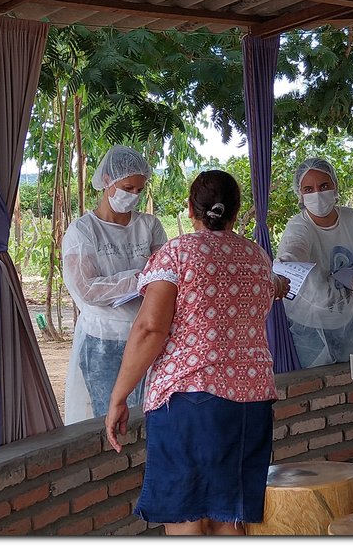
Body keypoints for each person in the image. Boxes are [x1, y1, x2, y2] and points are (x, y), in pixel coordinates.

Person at [104, 170, 288, 536]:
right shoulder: (257, 257)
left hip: (188, 401)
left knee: (186, 517)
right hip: (250, 404)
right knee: (229, 518)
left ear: (191, 209)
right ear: (237, 212)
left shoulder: (176, 255)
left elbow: (150, 329)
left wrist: (119, 396)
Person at [61, 145, 167, 423]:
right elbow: (86, 288)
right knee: (107, 415)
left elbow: (167, 274)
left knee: (148, 414)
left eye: (139, 190)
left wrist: (139, 280)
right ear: (107, 180)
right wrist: (139, 279)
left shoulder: (149, 226)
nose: (133, 196)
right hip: (102, 337)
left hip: (147, 334)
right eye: (127, 187)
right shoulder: (83, 230)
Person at [276, 157, 353, 368]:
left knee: (348, 379)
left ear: (335, 186)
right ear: (300, 194)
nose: (318, 194)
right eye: (308, 189)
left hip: (345, 319)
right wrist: (285, 266)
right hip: (308, 325)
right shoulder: (299, 227)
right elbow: (292, 255)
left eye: (323, 186)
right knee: (315, 387)